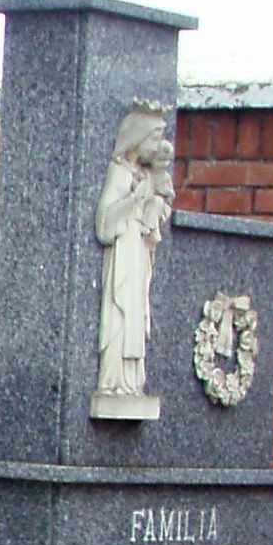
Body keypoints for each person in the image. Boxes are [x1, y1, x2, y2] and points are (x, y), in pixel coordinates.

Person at [94, 105, 177, 401]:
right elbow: (104, 224)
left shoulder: (145, 174)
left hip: (139, 251)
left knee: (137, 313)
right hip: (122, 254)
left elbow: (160, 211)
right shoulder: (119, 172)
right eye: (154, 139)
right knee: (120, 312)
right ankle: (113, 380)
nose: (158, 147)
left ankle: (131, 381)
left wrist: (154, 202)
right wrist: (134, 199)